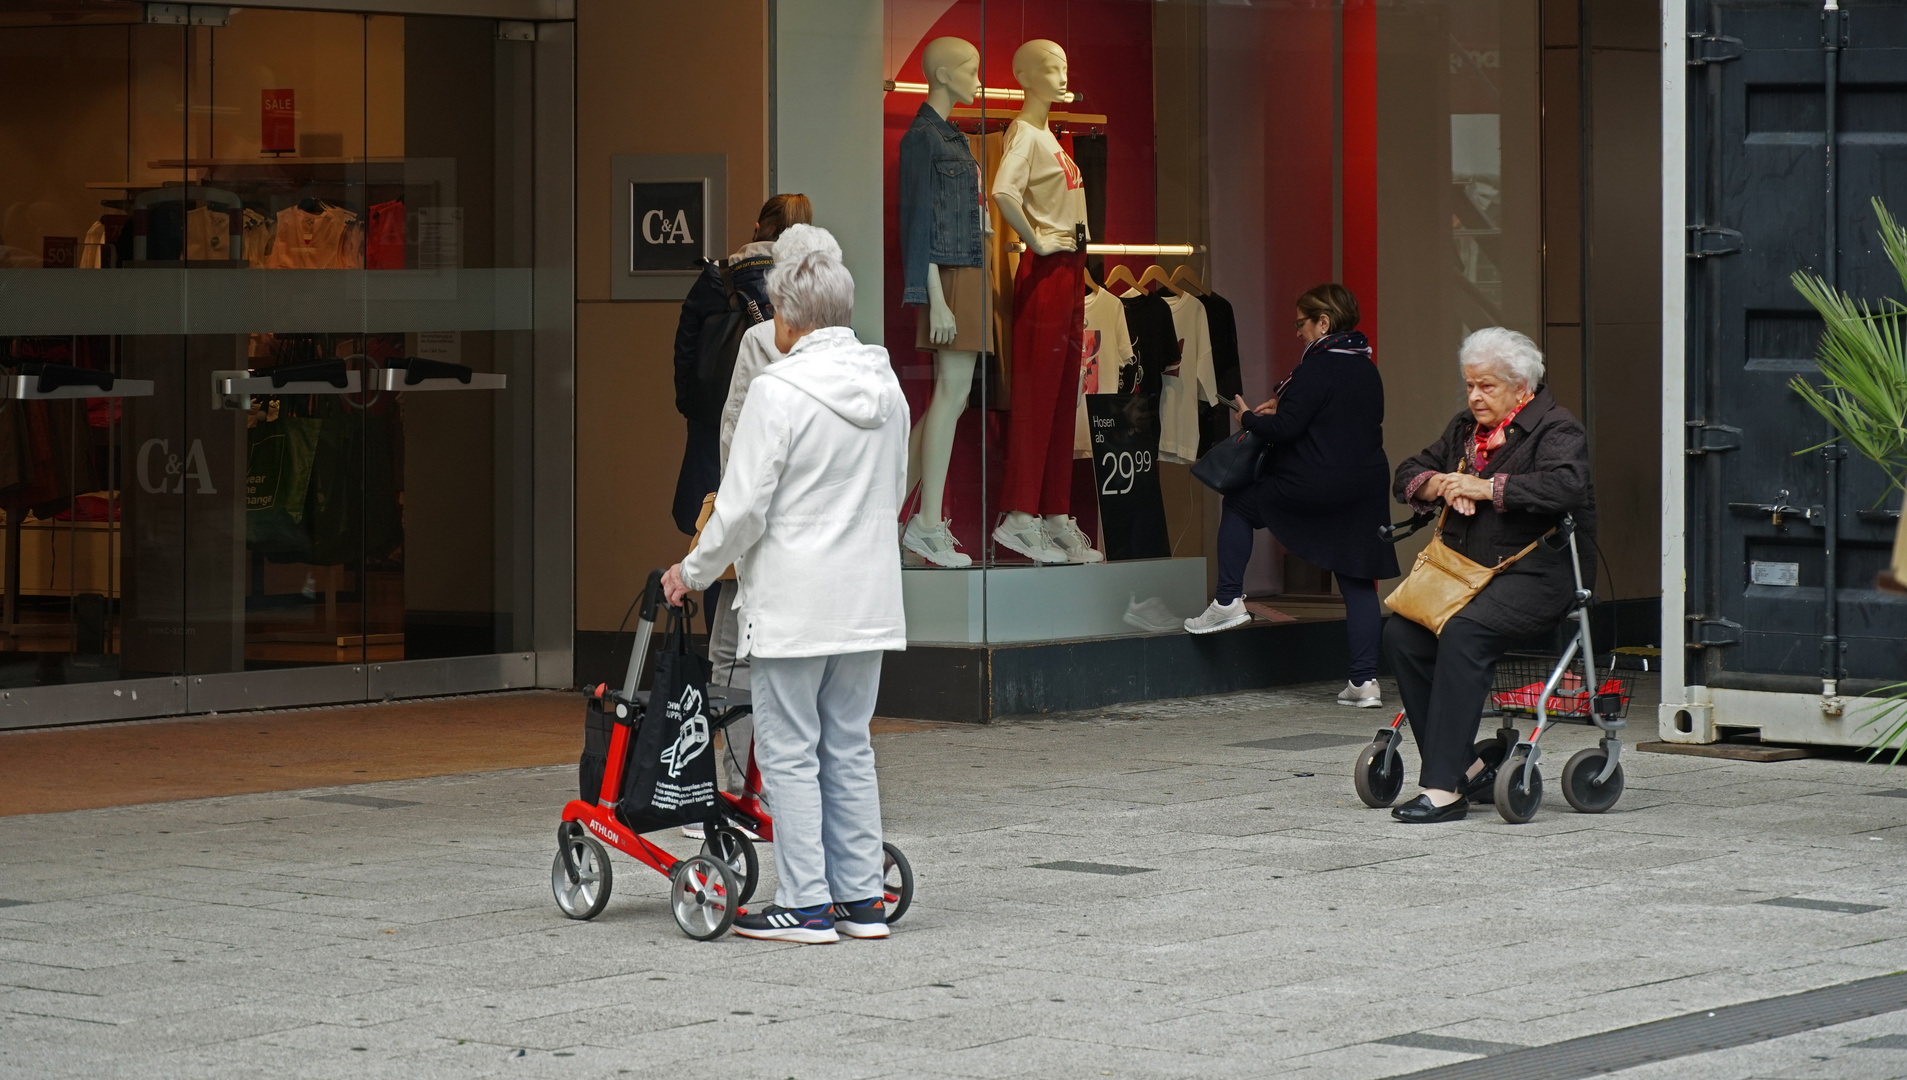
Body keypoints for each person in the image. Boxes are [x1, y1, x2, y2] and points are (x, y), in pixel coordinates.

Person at [663, 224, 909, 943]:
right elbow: (891, 492)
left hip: (796, 601)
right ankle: (862, 901)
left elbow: (741, 509)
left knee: (791, 749)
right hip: (866, 598)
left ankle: (804, 904)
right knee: (849, 744)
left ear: (786, 316)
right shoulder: (885, 386)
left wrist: (692, 571)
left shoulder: (778, 391)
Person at [1381, 326, 1596, 823]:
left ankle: (1442, 789)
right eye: (1470, 385)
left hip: (1539, 576)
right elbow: (1408, 471)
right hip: (1467, 574)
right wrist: (1440, 483)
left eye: (1487, 387)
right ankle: (1465, 765)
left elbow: (1566, 487)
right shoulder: (1465, 429)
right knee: (1401, 632)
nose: (1474, 397)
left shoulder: (1558, 429)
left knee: (1463, 631)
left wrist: (1484, 488)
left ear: (1521, 388)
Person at [1183, 284, 1399, 709]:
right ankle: (1365, 682)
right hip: (1365, 484)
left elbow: (1287, 431)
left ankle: (1227, 599)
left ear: (1324, 322)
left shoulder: (1316, 367)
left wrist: (1246, 416)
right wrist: (1286, 407)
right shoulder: (1365, 367)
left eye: (1301, 323)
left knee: (1241, 503)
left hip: (1316, 480)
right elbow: (1333, 418)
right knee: (1357, 578)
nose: (1297, 332)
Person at [669, 194, 811, 832]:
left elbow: (705, 404)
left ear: (757, 229)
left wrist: (706, 554)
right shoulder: (838, 332)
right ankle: (771, 789)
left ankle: (733, 789)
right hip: (806, 521)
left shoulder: (720, 287)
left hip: (729, 489)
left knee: (728, 647)